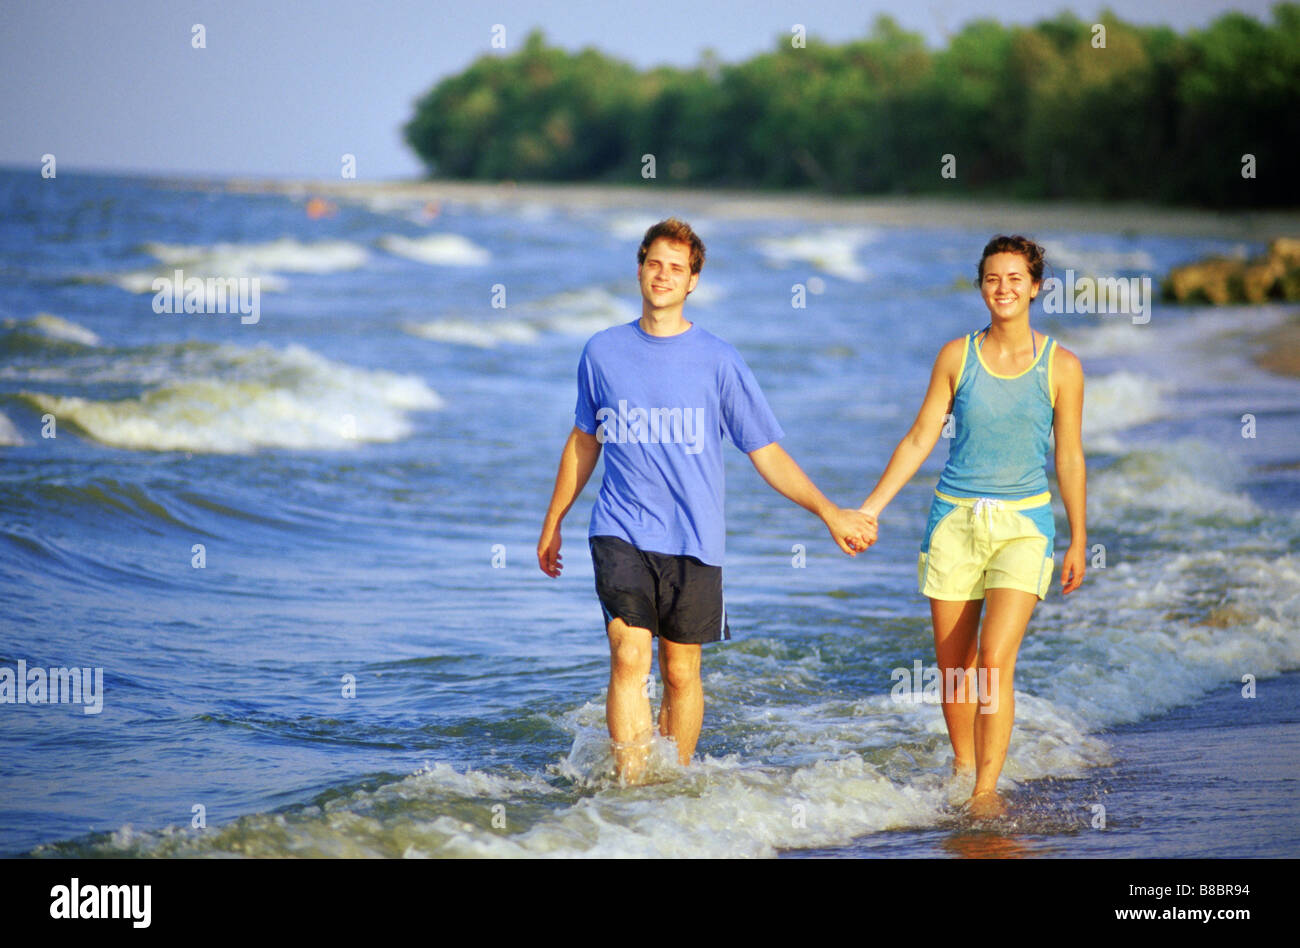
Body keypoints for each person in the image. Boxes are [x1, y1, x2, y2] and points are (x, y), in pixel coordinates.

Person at [538, 218, 877, 783]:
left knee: (681, 671)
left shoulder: (719, 360)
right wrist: (553, 523)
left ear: (693, 280)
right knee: (628, 655)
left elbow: (764, 452)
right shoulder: (601, 352)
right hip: (619, 529)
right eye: (654, 263)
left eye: (677, 268)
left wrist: (829, 512)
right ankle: (632, 788)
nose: (663, 276)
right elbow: (583, 441)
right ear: (640, 267)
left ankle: (673, 782)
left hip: (696, 538)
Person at [857, 235, 1087, 818]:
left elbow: (1069, 458)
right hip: (954, 523)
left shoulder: (1061, 366)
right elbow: (918, 439)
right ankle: (963, 768)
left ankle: (986, 791)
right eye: (993, 278)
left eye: (1015, 278)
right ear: (981, 286)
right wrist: (872, 508)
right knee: (954, 668)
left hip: (1024, 526)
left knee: (993, 660)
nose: (1003, 288)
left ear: (1036, 287)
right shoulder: (956, 357)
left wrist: (1080, 536)